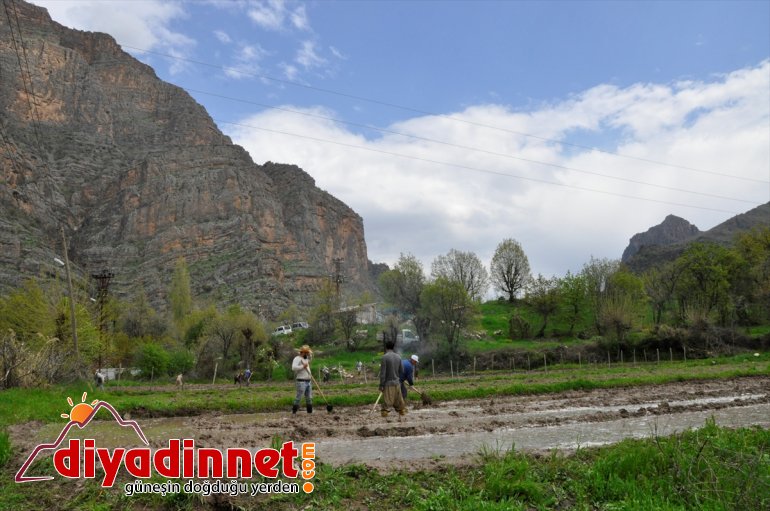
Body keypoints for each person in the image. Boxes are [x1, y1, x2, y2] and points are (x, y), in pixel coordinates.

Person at [378, 339, 406, 417]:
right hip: (397, 383)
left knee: (386, 405)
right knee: (399, 403)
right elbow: (402, 370)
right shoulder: (398, 357)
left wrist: (381, 385)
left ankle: (384, 419)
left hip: (388, 384)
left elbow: (383, 373)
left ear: (386, 347)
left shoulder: (384, 357)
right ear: (393, 347)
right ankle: (402, 415)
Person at [291, 345, 314, 414]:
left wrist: (310, 354)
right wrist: (303, 366)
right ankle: (294, 412)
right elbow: (293, 368)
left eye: (308, 353)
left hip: (308, 381)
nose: (307, 354)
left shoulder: (306, 358)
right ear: (302, 352)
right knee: (299, 397)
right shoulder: (297, 359)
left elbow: (311, 358)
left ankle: (309, 412)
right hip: (301, 381)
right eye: (306, 353)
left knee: (309, 397)